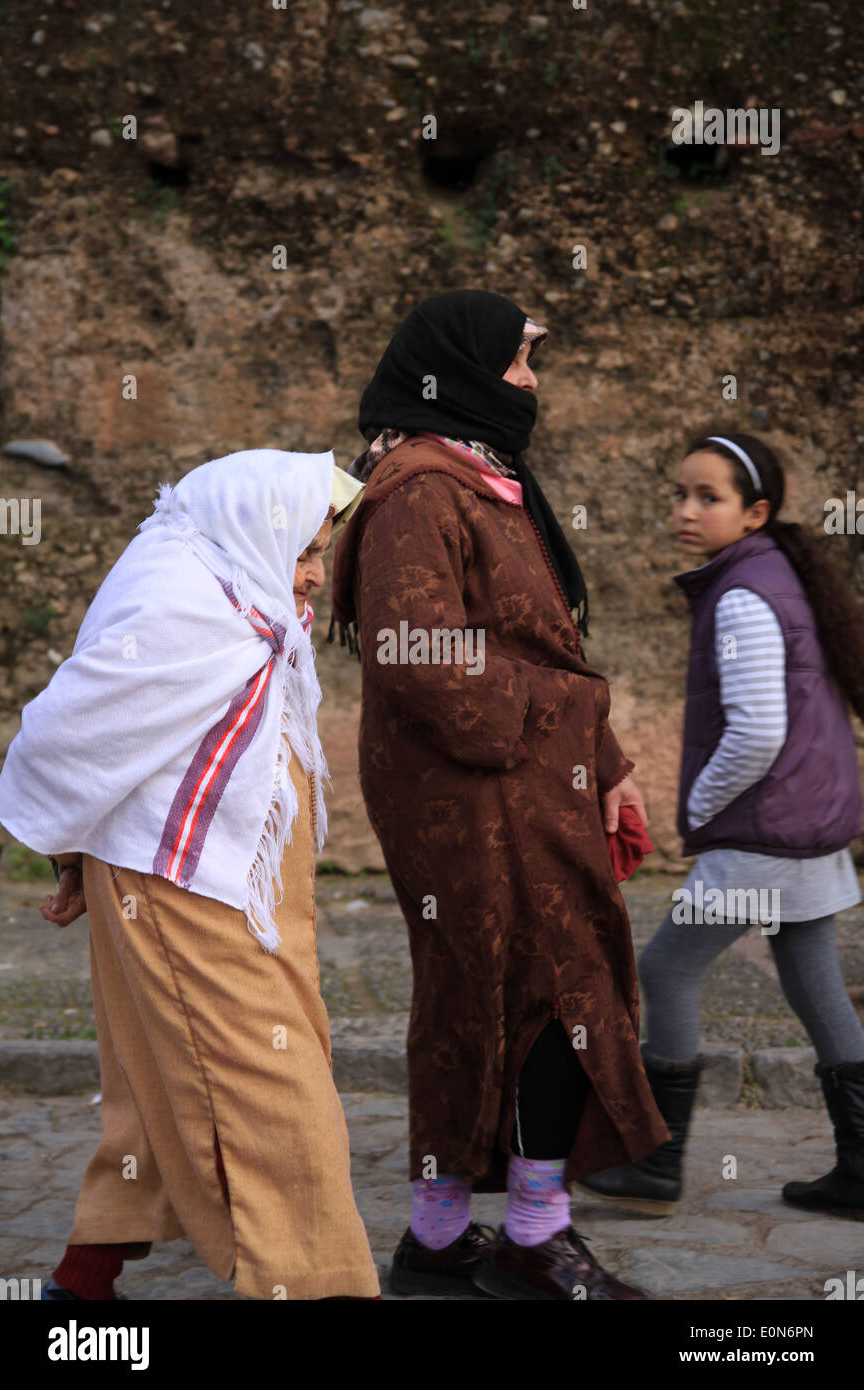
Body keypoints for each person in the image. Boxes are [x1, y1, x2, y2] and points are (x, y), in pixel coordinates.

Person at [330, 289, 670, 1301]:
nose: (531, 381)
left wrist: (601, 764)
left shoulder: (483, 480)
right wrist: (564, 720)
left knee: (494, 993)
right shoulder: (417, 491)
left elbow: (541, 646)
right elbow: (415, 654)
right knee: (546, 994)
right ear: (461, 369)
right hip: (468, 793)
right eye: (518, 361)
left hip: (528, 780)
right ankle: (531, 1235)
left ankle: (436, 1240)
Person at [0, 448, 382, 1300]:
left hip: (225, 878)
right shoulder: (181, 598)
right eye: (307, 552)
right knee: (265, 1086)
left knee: (155, 1068)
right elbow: (70, 732)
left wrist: (76, 851)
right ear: (259, 528)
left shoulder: (236, 591)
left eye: (321, 552)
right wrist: (69, 847)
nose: (317, 575)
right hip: (180, 887)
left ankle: (87, 1271)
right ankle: (318, 1286)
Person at [579, 432, 864, 1218]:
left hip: (761, 839)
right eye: (679, 493)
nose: (685, 511)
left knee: (668, 971)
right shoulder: (774, 576)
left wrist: (702, 805)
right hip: (804, 833)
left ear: (755, 512)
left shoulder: (742, 594)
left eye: (708, 498)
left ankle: (656, 1166)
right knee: (815, 988)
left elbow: (760, 730)